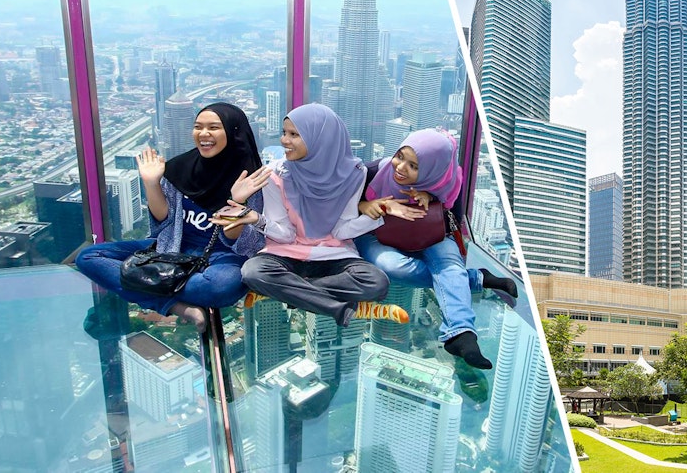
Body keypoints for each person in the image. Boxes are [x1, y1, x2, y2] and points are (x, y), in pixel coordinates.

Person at [76, 102, 268, 333]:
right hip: (173, 248)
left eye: (214, 127)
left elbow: (249, 244)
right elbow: (164, 222)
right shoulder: (180, 168)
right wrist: (151, 183)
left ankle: (150, 285)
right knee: (88, 257)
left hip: (222, 255)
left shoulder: (252, 179)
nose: (204, 134)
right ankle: (172, 305)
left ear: (233, 131)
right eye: (198, 127)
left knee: (220, 288)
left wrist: (238, 205)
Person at [221, 103, 408, 327]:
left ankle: (286, 291)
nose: (284, 141)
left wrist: (376, 215)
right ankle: (339, 308)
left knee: (377, 282)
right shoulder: (275, 175)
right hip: (285, 252)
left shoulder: (354, 175)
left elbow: (341, 231)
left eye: (294, 135)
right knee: (253, 272)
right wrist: (257, 219)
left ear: (321, 138)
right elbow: (286, 235)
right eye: (284, 133)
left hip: (334, 254)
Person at [355, 128, 516, 370]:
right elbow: (340, 201)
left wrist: (431, 196)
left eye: (414, 166)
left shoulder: (446, 182)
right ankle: (477, 278)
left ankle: (461, 334)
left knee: (449, 265)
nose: (400, 168)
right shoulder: (376, 172)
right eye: (400, 156)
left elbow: (452, 217)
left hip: (428, 233)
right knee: (391, 266)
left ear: (432, 171)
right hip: (376, 233)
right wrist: (368, 204)